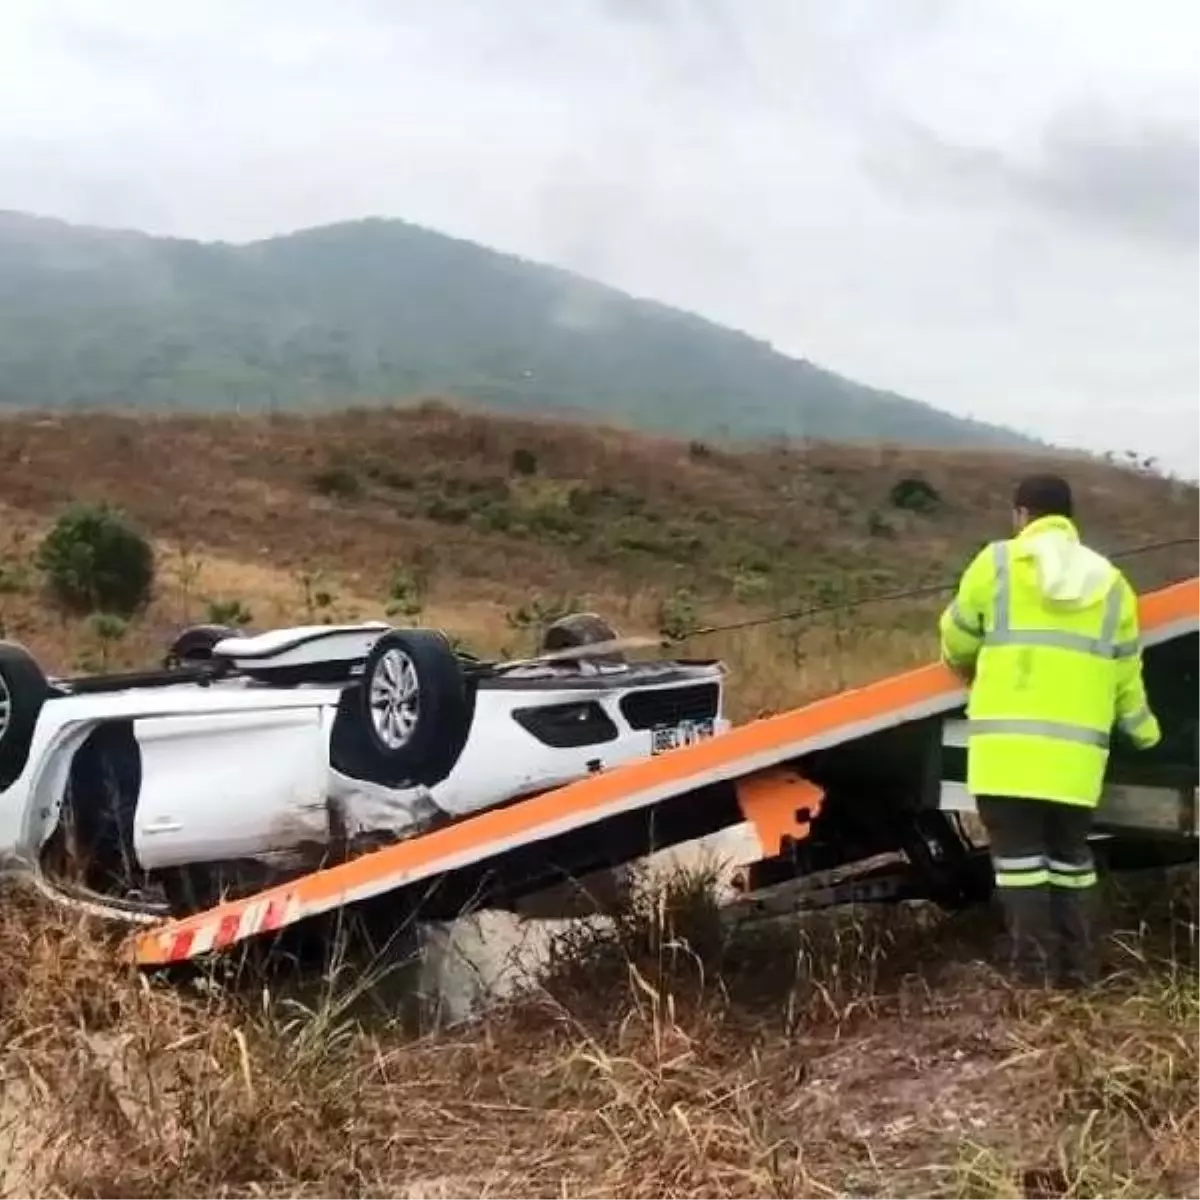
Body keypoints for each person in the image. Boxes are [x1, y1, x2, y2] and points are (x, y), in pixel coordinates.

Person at [938, 473, 1161, 988]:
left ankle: (1035, 980)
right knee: (1071, 864)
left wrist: (962, 661)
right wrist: (1144, 731)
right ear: (1070, 517)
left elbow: (958, 636)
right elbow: (1126, 670)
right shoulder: (1111, 582)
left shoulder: (997, 563)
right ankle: (1077, 973)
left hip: (1008, 755)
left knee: (1019, 867)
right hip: (1076, 763)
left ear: (1021, 515)